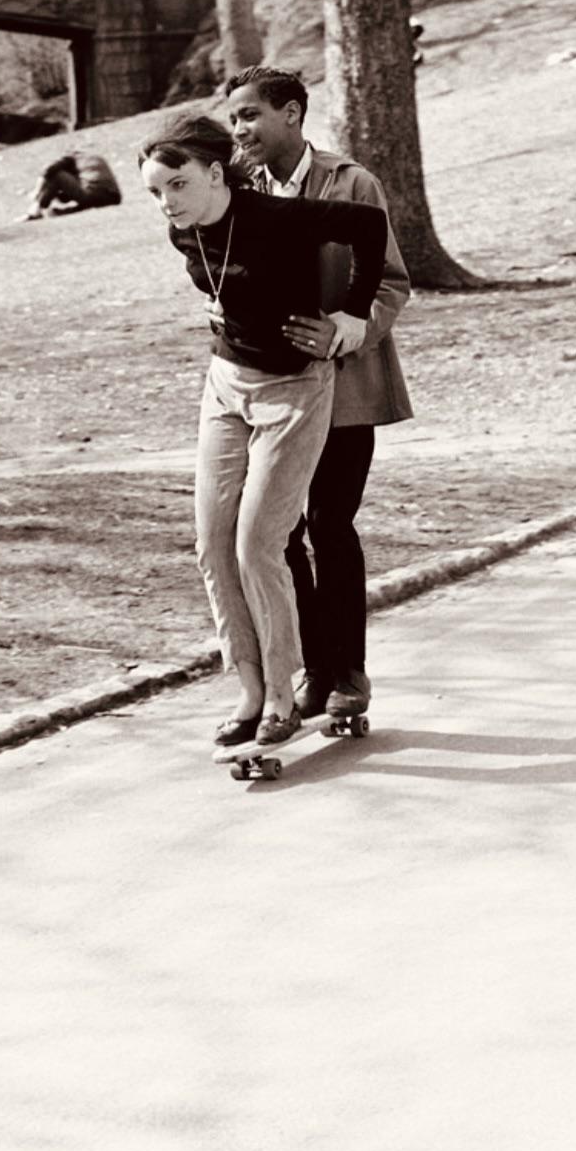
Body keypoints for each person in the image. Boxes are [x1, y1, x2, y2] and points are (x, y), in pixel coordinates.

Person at [139, 113, 388, 747]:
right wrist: (221, 317)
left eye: (177, 185)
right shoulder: (185, 235)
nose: (167, 204)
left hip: (294, 391)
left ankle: (285, 692)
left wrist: (350, 315)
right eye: (155, 192)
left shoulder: (279, 218)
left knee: (258, 544)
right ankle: (249, 688)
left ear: (215, 174)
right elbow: (224, 285)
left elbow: (368, 227)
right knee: (211, 544)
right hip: (224, 387)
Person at [223, 67, 412, 722]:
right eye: (233, 119)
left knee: (330, 525)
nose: (239, 129)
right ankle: (311, 668)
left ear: (292, 114)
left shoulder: (350, 182)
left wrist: (347, 326)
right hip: (272, 391)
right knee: (281, 529)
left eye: (249, 115)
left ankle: (348, 674)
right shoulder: (237, 192)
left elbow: (389, 281)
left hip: (346, 388)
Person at [20, 153, 122, 222]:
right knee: (88, 196)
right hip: (113, 197)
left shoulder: (71, 158)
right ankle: (56, 212)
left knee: (57, 175)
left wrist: (37, 191)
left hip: (93, 195)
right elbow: (70, 196)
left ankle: (35, 212)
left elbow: (48, 170)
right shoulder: (91, 160)